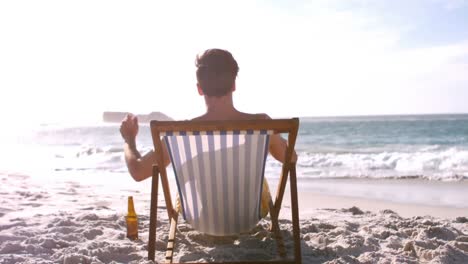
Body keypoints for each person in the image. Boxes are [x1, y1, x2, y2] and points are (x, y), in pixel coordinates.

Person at [120, 48, 297, 217]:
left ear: (199, 89)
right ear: (234, 85)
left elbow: (138, 171)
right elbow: (291, 159)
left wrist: (129, 139)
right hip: (250, 215)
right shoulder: (263, 125)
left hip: (200, 217)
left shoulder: (180, 134)